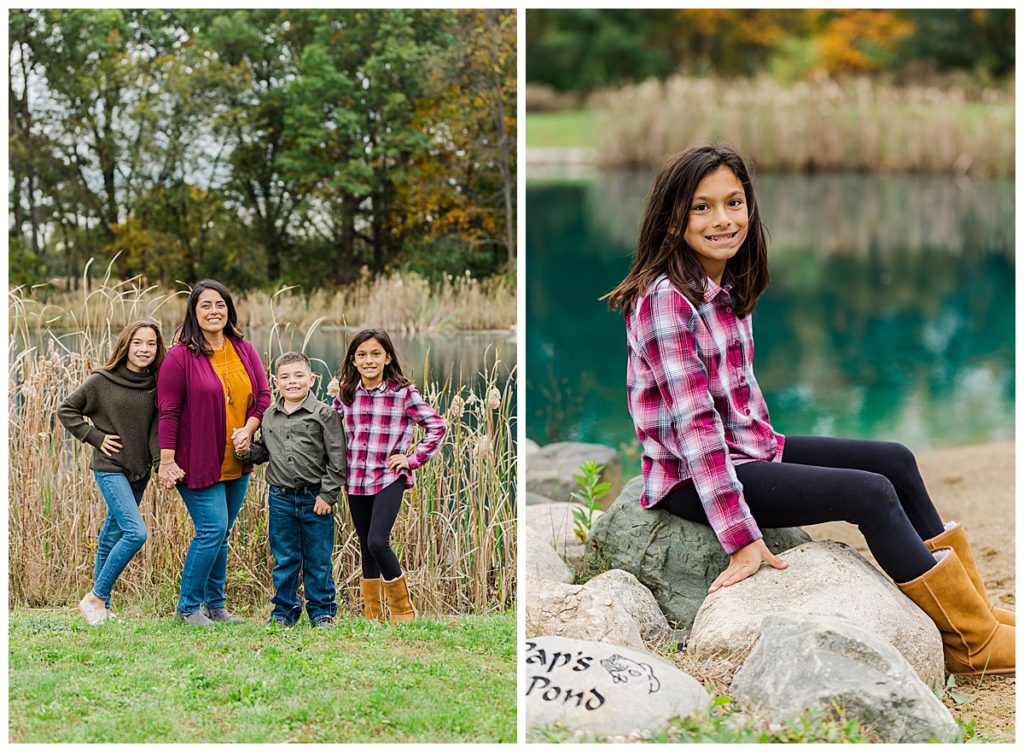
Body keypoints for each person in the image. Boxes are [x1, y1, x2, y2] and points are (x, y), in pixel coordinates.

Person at [602, 144, 1014, 676]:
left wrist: (777, 460)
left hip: (749, 452)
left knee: (895, 460)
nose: (723, 220)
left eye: (734, 202)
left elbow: (740, 402)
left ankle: (975, 615)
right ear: (671, 217)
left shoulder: (721, 285)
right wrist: (741, 536)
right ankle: (971, 644)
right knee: (869, 493)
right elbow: (697, 430)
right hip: (692, 480)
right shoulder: (666, 299)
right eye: (701, 207)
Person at [157, 279, 271, 626]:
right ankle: (188, 608)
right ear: (194, 311)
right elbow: (168, 411)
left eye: (220, 304)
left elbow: (263, 397)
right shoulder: (181, 356)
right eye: (205, 305)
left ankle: (216, 607)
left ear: (229, 310)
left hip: (236, 458)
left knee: (221, 533)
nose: (213, 311)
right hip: (196, 460)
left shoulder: (243, 349)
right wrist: (166, 460)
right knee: (211, 529)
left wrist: (249, 430)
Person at [331, 329, 447, 623]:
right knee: (365, 546)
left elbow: (437, 426)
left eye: (375, 354)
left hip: (388, 477)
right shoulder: (345, 394)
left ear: (387, 357)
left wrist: (412, 459)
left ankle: (403, 611)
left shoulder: (403, 392)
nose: (368, 360)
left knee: (377, 542)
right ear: (353, 361)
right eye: (362, 355)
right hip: (355, 478)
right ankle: (373, 615)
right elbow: (328, 432)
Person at [57, 319, 167, 624]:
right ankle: (96, 597)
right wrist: (95, 437)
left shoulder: (157, 384)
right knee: (135, 533)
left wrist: (159, 464)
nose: (144, 349)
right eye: (137, 342)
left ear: (158, 349)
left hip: (138, 470)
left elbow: (156, 430)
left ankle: (100, 611)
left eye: (151, 343)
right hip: (109, 467)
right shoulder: (101, 381)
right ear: (126, 345)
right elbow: (66, 410)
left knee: (111, 533)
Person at [237, 351, 347, 628]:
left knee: (318, 558)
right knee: (285, 557)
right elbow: (263, 453)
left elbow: (338, 459)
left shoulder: (325, 414)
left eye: (299, 376)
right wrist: (245, 450)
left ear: (311, 379)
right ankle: (284, 611)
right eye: (285, 377)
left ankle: (322, 611)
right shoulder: (269, 417)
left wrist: (327, 494)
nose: (292, 382)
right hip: (280, 498)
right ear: (276, 382)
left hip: (315, 498)